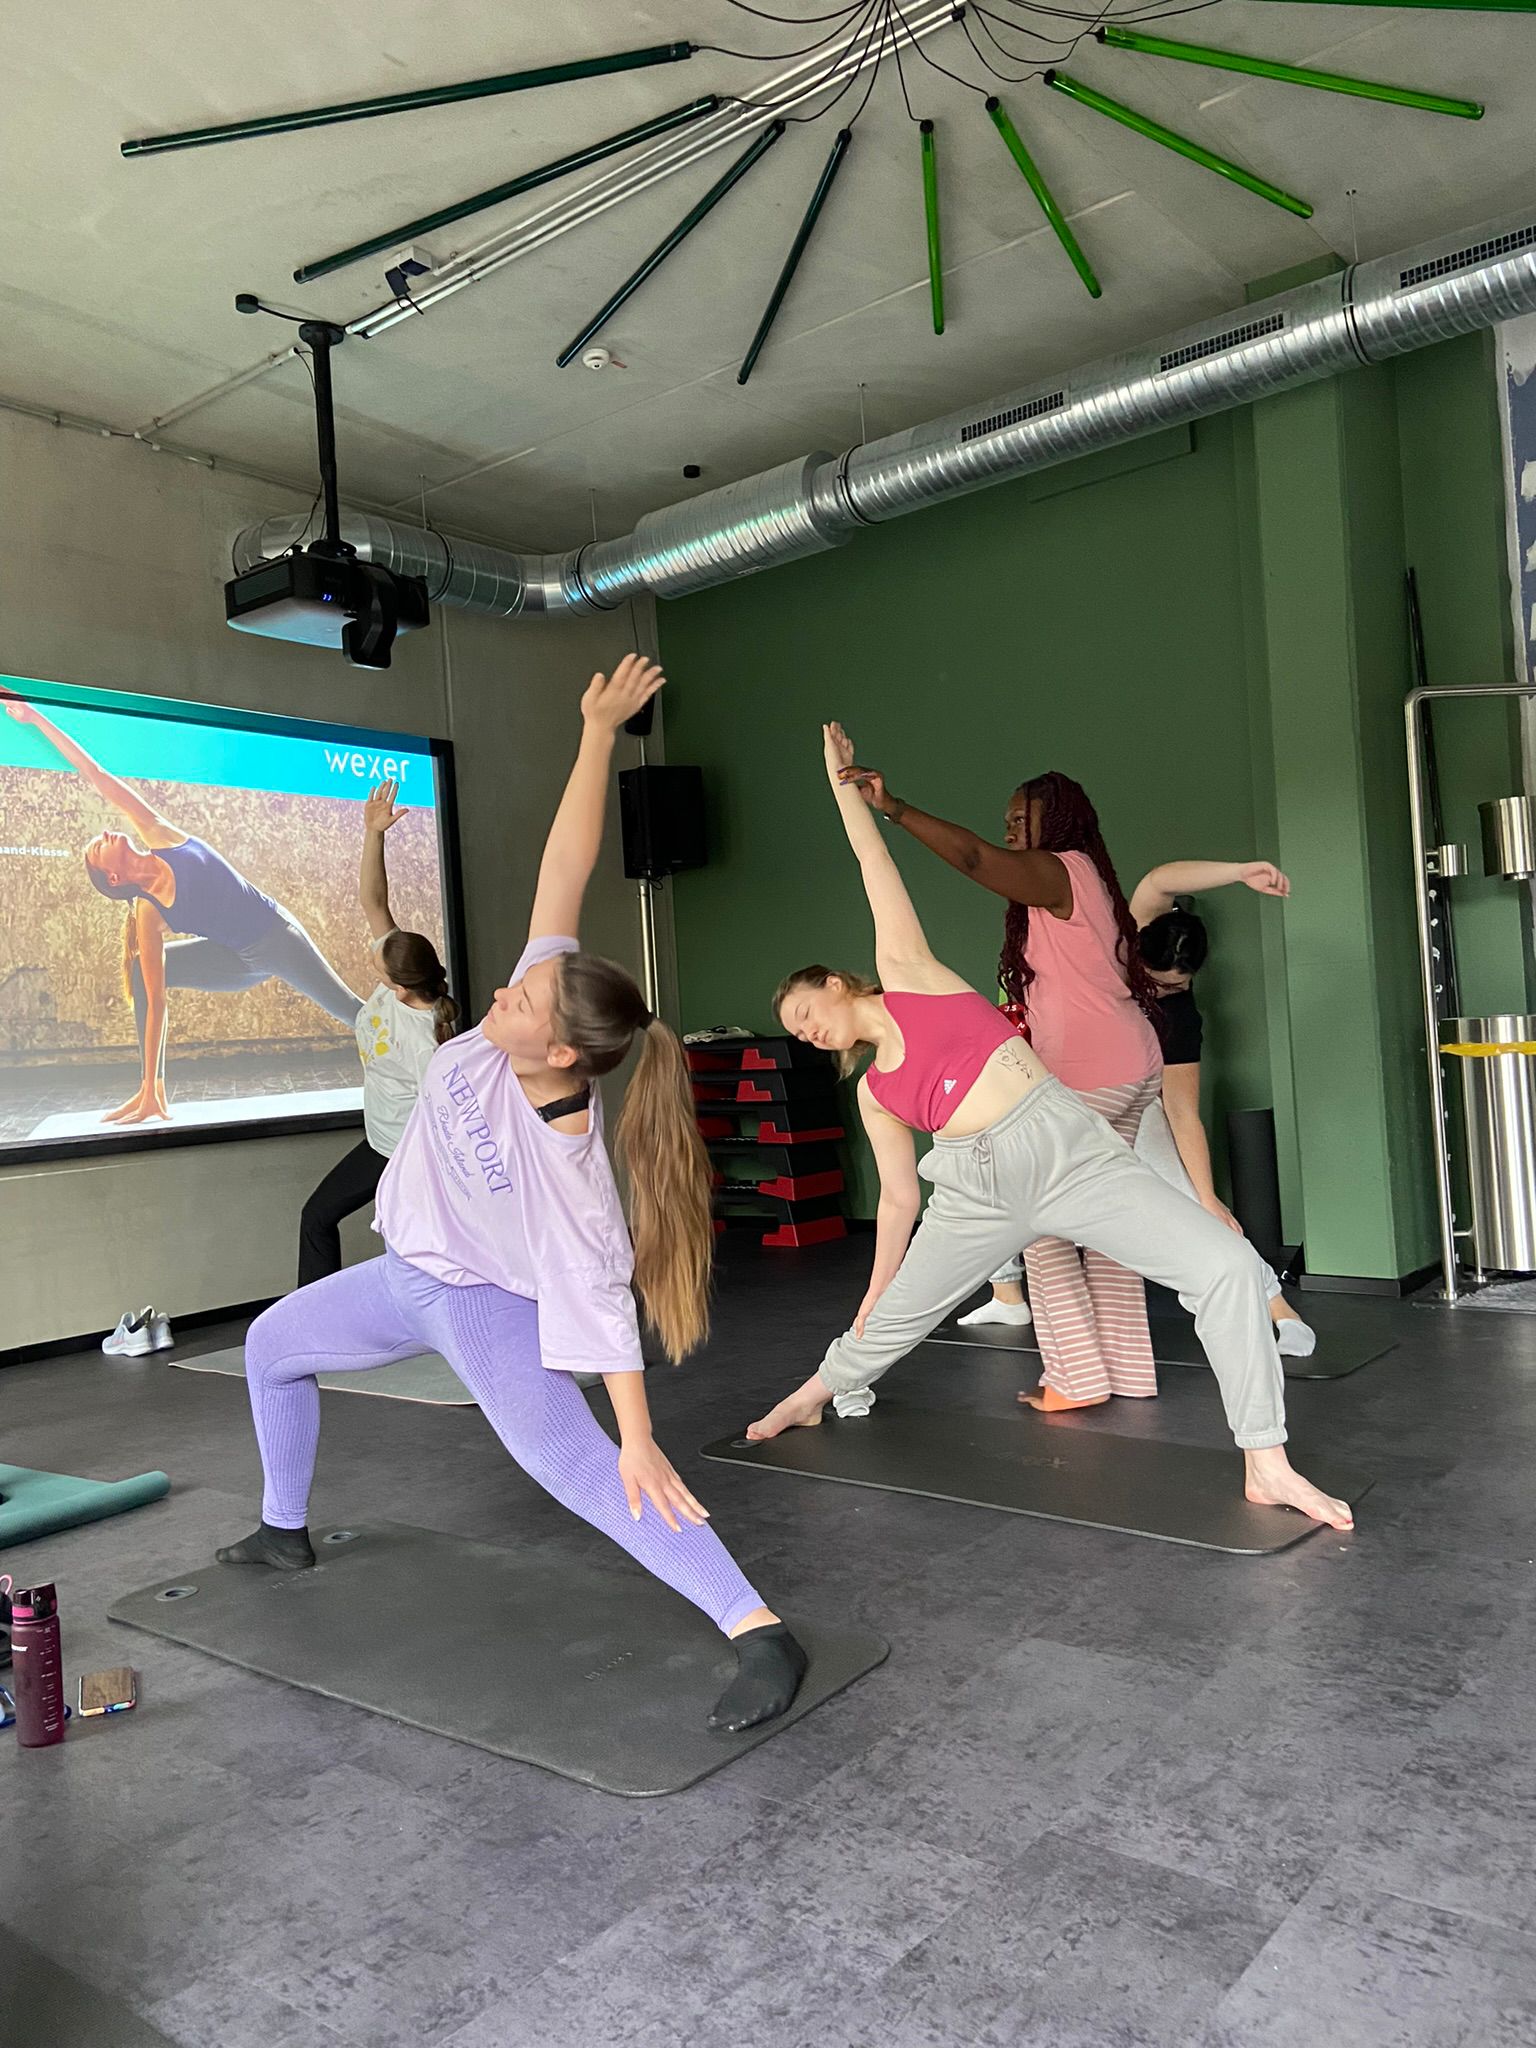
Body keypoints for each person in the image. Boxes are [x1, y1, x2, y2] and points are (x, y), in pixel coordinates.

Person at [216, 655, 808, 1734]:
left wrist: (636, 1432)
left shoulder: (571, 1170)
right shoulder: (503, 1035)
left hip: (485, 1307)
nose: (502, 989)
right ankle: (280, 1525)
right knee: (269, 1345)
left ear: (569, 1055)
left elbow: (606, 1305)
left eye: (524, 995)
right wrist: (593, 734)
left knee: (580, 1469)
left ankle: (757, 1625)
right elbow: (566, 864)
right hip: (403, 1277)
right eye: (518, 982)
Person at [749, 721, 1352, 1531]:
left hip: (1068, 1150)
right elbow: (897, 1202)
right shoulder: (874, 1094)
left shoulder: (910, 974)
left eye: (804, 1011)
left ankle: (1267, 1464)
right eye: (795, 1031)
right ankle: (811, 1396)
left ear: (833, 982)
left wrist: (848, 793)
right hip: (973, 1191)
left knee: (1229, 1270)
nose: (807, 1030)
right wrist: (871, 1295)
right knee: (889, 1323)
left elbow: (874, 867)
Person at [840, 761, 1164, 1413]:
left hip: (1089, 1075)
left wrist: (894, 808)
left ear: (1060, 818)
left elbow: (970, 856)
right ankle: (1128, 1371)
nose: (1012, 827)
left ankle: (1075, 1377)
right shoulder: (1089, 877)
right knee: (1106, 1226)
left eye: (1024, 815)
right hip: (1131, 1065)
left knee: (1038, 1222)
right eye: (1008, 818)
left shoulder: (1058, 869)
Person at [1, 691, 362, 1125]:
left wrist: (34, 716)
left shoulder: (159, 833)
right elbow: (155, 1002)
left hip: (273, 936)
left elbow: (93, 773)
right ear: (113, 878)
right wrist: (150, 1080)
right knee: (141, 971)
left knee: (348, 1010)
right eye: (100, 847)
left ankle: (428, 1047)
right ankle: (150, 1094)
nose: (106, 832)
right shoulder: (147, 912)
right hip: (235, 963)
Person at [1130, 861, 1316, 1359]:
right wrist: (1240, 871)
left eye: (1175, 984)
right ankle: (1007, 1293)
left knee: (1192, 1205)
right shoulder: (1130, 937)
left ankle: (1277, 1308)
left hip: (1136, 1104)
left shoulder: (1179, 1018)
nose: (1163, 991)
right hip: (1072, 1089)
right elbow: (1157, 881)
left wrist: (1208, 1197)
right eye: (1156, 981)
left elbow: (1182, 1112)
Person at [296, 780, 458, 1288]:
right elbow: (374, 900)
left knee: (416, 1247)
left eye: (379, 971)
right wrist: (373, 834)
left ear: (404, 988)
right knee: (317, 1216)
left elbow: (447, 1120)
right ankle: (313, 1319)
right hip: (380, 1141)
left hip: (413, 1153)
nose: (374, 969)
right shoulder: (402, 982)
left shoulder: (428, 1043)